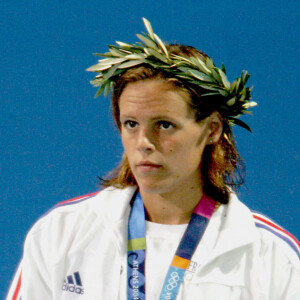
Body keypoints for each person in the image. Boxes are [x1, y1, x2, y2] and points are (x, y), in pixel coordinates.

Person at [7, 18, 299, 300]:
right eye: (131, 124)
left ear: (211, 129)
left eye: (164, 125)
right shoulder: (61, 234)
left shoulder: (271, 255)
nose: (143, 143)